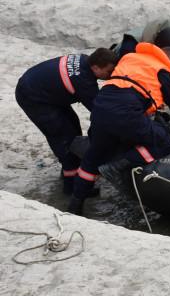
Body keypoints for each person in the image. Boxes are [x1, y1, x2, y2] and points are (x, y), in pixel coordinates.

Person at [69, 43, 170, 216]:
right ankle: (118, 165)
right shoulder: (162, 70)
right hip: (126, 112)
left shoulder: (129, 57)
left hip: (101, 106)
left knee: (92, 157)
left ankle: (75, 206)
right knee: (165, 143)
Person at [15, 49, 117, 193]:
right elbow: (101, 112)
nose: (111, 75)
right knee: (64, 137)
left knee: (73, 126)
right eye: (109, 72)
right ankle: (71, 188)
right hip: (33, 98)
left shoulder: (85, 61)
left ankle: (69, 174)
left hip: (41, 89)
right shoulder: (84, 81)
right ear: (96, 67)